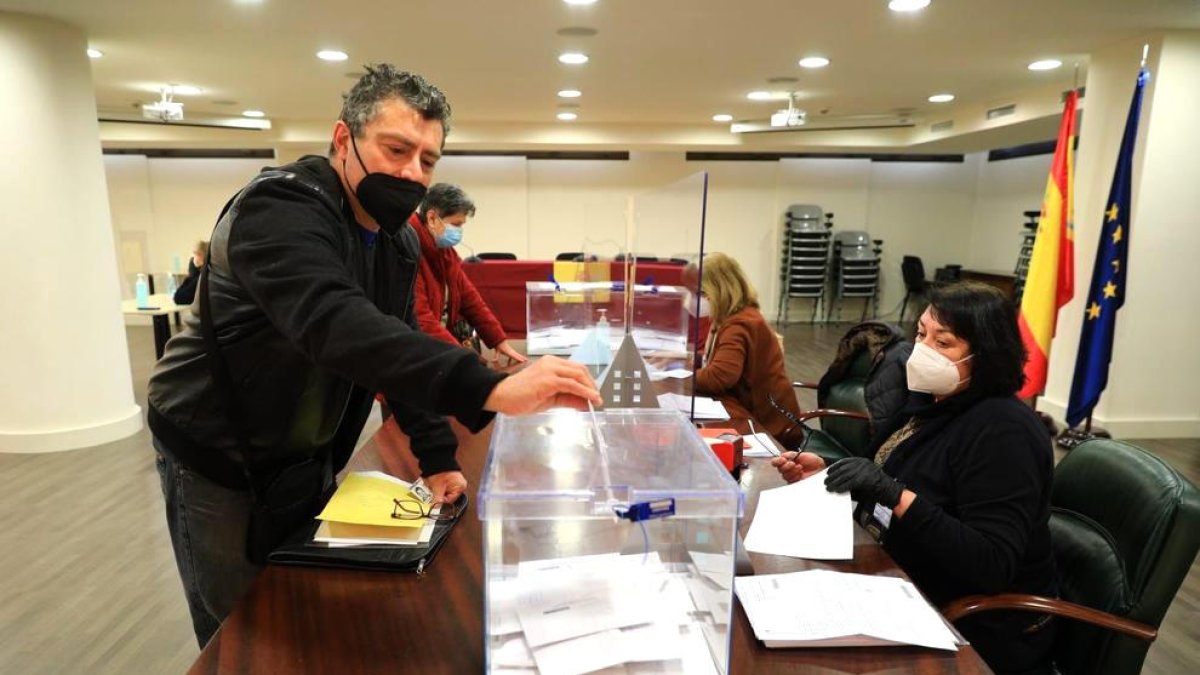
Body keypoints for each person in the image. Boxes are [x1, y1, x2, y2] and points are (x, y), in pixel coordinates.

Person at [146, 64, 600, 648]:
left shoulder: (397, 240)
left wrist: (437, 457)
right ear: (344, 139)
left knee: (295, 596)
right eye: (396, 149)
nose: (412, 173)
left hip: (302, 445)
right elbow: (336, 324)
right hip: (214, 448)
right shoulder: (278, 208)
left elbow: (397, 339)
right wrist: (488, 386)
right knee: (238, 624)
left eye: (428, 160)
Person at [771, 281, 1057, 674]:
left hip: (975, 626)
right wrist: (829, 471)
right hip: (901, 578)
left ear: (986, 354)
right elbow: (886, 474)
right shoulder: (929, 402)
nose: (923, 350)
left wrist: (895, 494)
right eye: (921, 334)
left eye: (944, 342)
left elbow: (990, 564)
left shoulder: (1004, 431)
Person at [689, 253, 805, 447]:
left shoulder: (740, 324)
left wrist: (682, 378)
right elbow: (721, 361)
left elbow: (719, 377)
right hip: (753, 410)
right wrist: (687, 361)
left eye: (701, 292)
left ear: (718, 290)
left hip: (769, 426)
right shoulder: (734, 316)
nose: (699, 299)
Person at [408, 183, 525, 364]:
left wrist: (498, 340)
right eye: (456, 224)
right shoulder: (408, 250)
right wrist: (464, 359)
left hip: (441, 352)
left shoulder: (445, 252)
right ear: (431, 218)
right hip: (418, 355)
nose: (459, 232)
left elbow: (470, 299)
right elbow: (421, 319)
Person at [172, 239, 208, 305]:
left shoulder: (202, 277)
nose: (195, 257)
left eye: (199, 254)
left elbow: (178, 298)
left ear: (206, 257)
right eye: (194, 253)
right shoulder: (198, 275)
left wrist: (193, 274)